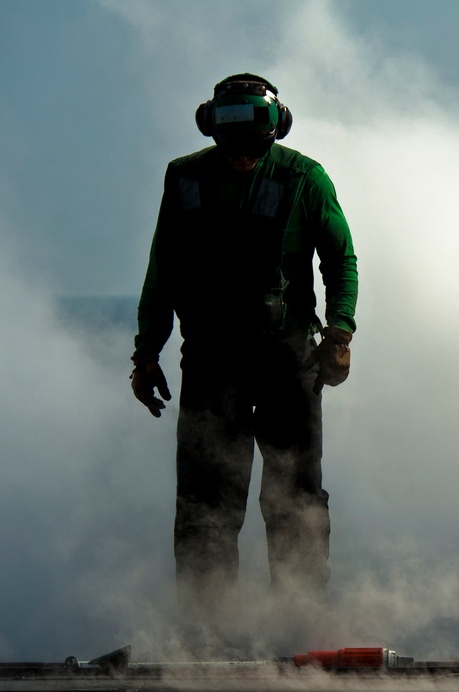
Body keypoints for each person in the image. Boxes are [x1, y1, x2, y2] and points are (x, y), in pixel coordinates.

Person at [129, 73, 358, 631]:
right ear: (211, 128)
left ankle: (300, 624)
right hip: (211, 363)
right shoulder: (183, 178)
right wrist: (146, 353)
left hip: (287, 361)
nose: (240, 157)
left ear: (275, 130)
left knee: (295, 496)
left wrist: (339, 334)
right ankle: (206, 630)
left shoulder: (304, 177)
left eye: (252, 145)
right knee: (206, 501)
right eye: (231, 145)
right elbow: (163, 269)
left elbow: (340, 259)